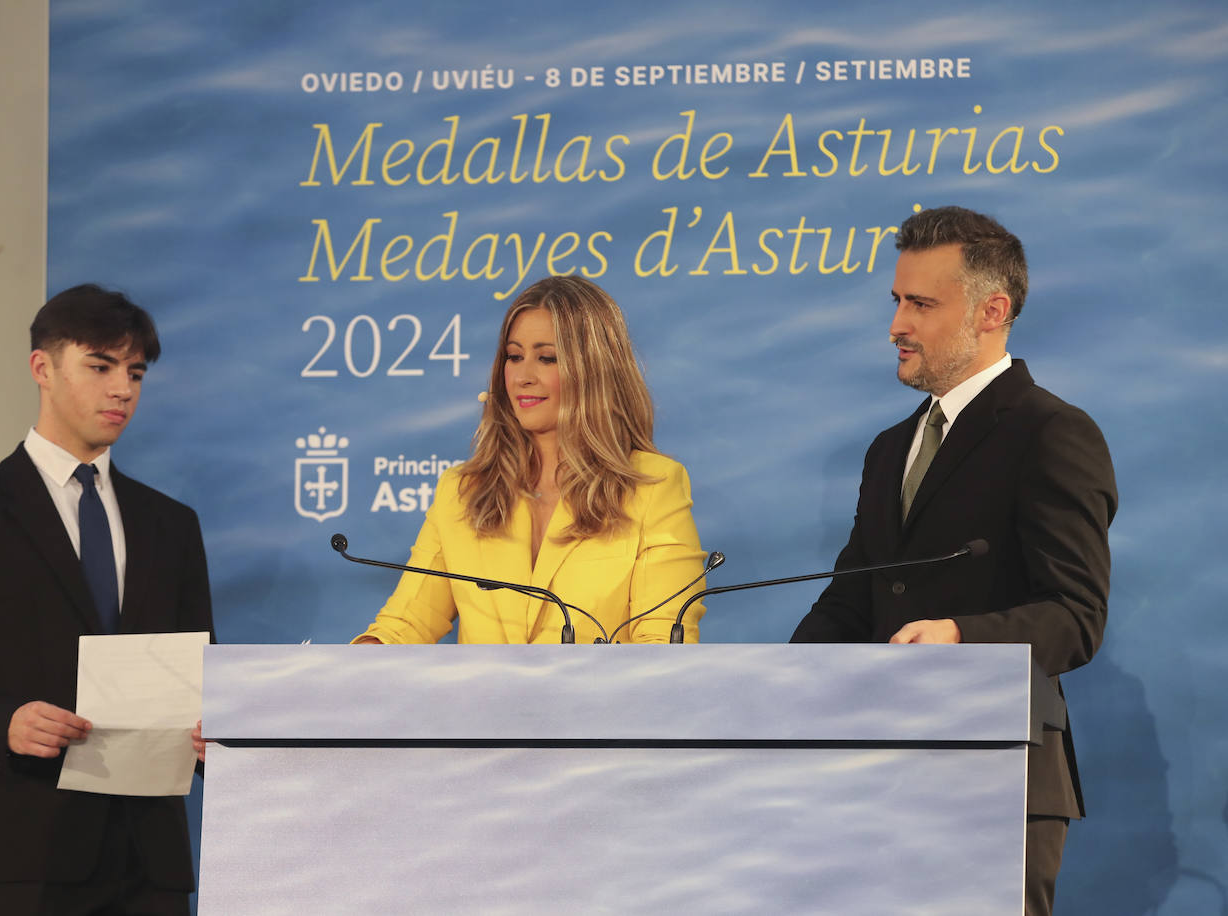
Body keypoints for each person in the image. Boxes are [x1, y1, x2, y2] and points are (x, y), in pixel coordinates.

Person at [789, 206, 1117, 916]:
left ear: (991, 311)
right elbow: (854, 598)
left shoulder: (1052, 433)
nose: (896, 325)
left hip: (995, 774)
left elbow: (1076, 617)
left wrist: (961, 638)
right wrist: (785, 679)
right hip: (879, 772)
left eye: (920, 304)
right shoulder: (889, 450)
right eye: (896, 302)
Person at [0, 284, 214, 915]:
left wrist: (216, 731)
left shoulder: (171, 524)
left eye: (135, 372)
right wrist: (7, 722)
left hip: (151, 855)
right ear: (42, 368)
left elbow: (204, 672)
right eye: (100, 366)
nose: (122, 389)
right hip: (28, 849)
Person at [354, 275, 708, 645]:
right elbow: (405, 624)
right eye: (514, 356)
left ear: (593, 371)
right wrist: (351, 665)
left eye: (546, 358)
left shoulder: (653, 486)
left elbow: (664, 642)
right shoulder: (463, 491)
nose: (523, 377)